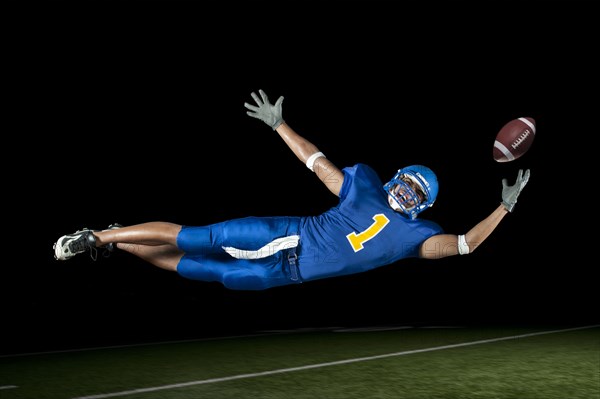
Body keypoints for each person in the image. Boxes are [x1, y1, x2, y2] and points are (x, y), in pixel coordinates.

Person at [53, 90, 531, 291]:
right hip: (286, 236)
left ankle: (119, 238)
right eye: (405, 183)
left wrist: (503, 210)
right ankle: (94, 236)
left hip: (288, 277)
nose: (405, 194)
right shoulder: (363, 187)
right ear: (394, 177)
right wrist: (282, 125)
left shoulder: (416, 235)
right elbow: (317, 162)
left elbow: (464, 245)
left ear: (422, 205)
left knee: (199, 271)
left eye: (413, 193)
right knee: (193, 237)